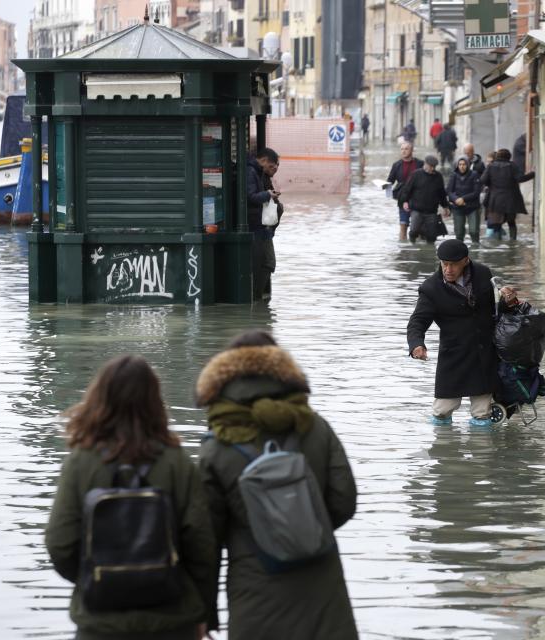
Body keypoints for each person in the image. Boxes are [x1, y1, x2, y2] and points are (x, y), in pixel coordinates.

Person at [196, 330, 358, 640]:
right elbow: (343, 501)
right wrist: (302, 528)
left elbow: (206, 540)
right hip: (322, 590)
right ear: (283, 372)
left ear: (225, 380)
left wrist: (204, 614)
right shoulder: (316, 427)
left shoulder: (216, 447)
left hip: (254, 592)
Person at [46, 355, 216, 640]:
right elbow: (202, 547)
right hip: (173, 621)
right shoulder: (177, 462)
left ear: (99, 397)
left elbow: (60, 543)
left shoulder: (80, 462)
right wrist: (203, 616)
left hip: (100, 623)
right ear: (154, 401)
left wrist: (98, 578)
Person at [407, 240, 517, 426]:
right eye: (444, 264)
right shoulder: (431, 288)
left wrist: (508, 300)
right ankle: (445, 451)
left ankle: (483, 452)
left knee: (482, 414)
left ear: (465, 260)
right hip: (454, 355)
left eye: (453, 264)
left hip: (485, 353)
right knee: (442, 411)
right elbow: (417, 321)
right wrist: (417, 344)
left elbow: (497, 308)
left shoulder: (483, 274)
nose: (448, 269)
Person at [246, 147, 283, 300]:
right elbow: (250, 196)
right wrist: (268, 195)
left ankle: (258, 299)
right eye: (272, 166)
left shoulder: (261, 174)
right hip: (257, 227)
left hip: (263, 227)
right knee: (267, 262)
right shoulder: (251, 172)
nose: (275, 169)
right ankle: (256, 299)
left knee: (266, 263)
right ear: (264, 161)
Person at [480, 148, 534, 240]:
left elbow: (483, 180)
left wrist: (491, 185)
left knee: (496, 223)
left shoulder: (491, 166)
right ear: (509, 157)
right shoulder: (512, 166)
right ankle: (513, 240)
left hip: (495, 200)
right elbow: (520, 178)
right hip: (510, 200)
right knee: (511, 222)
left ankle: (498, 244)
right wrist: (532, 174)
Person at [398, 155, 448, 244]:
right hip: (417, 209)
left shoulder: (438, 177)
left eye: (434, 167)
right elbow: (407, 189)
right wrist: (405, 201)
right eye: (430, 166)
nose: (432, 169)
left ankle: (429, 253)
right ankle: (412, 243)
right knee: (414, 230)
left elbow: (442, 194)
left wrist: (445, 207)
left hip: (432, 211)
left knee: (432, 236)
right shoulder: (416, 174)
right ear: (425, 164)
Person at [386, 142, 423, 241]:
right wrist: (388, 196)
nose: (404, 151)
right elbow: (390, 181)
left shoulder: (420, 163)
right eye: (402, 149)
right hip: (402, 198)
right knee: (403, 225)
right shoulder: (396, 165)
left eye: (406, 149)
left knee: (417, 227)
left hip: (418, 199)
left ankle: (418, 252)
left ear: (411, 150)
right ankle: (403, 251)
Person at [447, 156, 482, 244]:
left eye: (464, 164)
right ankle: (460, 252)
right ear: (457, 165)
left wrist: (463, 198)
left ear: (468, 165)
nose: (462, 166)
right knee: (459, 233)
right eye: (460, 164)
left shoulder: (474, 174)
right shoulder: (454, 175)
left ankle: (475, 249)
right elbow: (449, 191)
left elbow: (476, 192)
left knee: (474, 231)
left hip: (472, 207)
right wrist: (456, 199)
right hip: (457, 207)